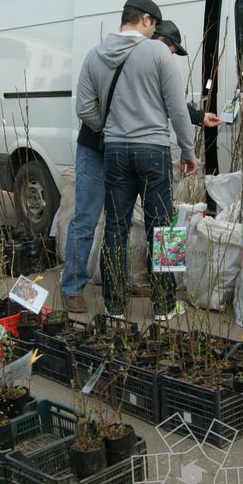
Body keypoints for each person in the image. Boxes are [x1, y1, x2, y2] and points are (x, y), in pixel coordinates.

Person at [61, 17, 220, 314]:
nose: (170, 57)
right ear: (155, 35)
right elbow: (170, 103)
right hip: (136, 150)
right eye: (171, 49)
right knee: (162, 228)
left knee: (115, 227)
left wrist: (197, 116)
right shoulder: (151, 53)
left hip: (116, 152)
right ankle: (165, 304)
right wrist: (188, 150)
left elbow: (155, 99)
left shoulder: (103, 53)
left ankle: (115, 303)